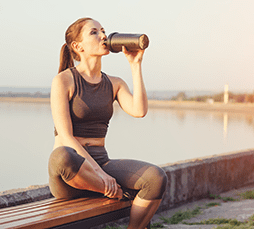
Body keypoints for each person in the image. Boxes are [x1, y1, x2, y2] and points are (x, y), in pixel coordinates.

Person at [48, 17, 167, 229]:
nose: (103, 36)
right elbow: (66, 137)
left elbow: (139, 111)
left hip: (102, 165)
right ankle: (116, 192)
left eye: (103, 31)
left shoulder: (114, 83)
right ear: (78, 46)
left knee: (156, 177)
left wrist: (135, 65)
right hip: (72, 174)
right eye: (94, 32)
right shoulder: (64, 80)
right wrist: (101, 177)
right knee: (62, 155)